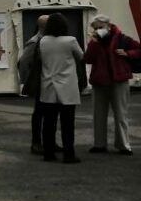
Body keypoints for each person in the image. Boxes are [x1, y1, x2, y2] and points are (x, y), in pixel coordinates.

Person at [83, 15, 137, 156]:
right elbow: (87, 58)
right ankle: (99, 144)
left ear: (108, 25)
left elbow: (139, 50)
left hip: (119, 80)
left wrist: (128, 53)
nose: (97, 30)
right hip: (100, 81)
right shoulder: (94, 41)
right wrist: (93, 43)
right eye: (95, 28)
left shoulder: (122, 39)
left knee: (121, 114)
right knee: (98, 114)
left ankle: (124, 145)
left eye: (100, 27)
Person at [37, 13, 84, 163]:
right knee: (67, 123)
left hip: (48, 85)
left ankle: (48, 153)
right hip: (67, 86)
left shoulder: (43, 41)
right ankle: (69, 154)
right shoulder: (70, 41)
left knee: (49, 123)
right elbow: (82, 57)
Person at [18, 15, 56, 155]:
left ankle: (50, 141)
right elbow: (23, 62)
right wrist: (27, 81)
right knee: (39, 113)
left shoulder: (50, 40)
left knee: (51, 113)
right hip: (41, 82)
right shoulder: (35, 41)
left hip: (50, 81)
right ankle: (36, 142)